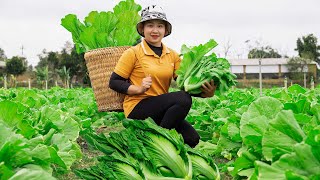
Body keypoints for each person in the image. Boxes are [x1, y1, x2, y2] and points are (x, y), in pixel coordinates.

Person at [109, 5, 216, 148]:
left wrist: (205, 94)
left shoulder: (172, 55)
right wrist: (138, 89)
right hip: (138, 107)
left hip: (162, 108)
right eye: (150, 25)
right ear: (142, 29)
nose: (155, 30)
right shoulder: (133, 53)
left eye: (160, 26)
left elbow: (185, 85)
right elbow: (114, 82)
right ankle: (158, 143)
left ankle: (152, 139)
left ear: (165, 30)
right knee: (183, 98)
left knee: (192, 139)